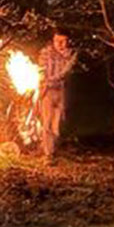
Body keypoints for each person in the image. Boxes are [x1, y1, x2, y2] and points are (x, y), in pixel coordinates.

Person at [37, 30, 77, 159]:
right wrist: (44, 83)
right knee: (47, 123)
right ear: (53, 41)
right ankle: (48, 154)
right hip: (47, 92)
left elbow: (65, 71)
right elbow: (41, 70)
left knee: (57, 124)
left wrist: (51, 80)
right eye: (58, 41)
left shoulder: (70, 54)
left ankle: (53, 149)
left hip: (60, 91)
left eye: (64, 41)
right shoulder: (45, 53)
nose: (61, 44)